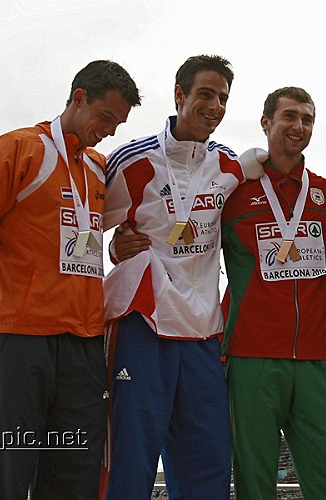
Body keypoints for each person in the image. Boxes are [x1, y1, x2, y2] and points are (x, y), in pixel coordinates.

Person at [0, 60, 141, 498]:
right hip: (22, 338)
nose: (111, 131)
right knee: (4, 465)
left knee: (76, 472)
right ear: (79, 98)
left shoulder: (101, 170)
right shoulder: (17, 149)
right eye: (106, 117)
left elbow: (136, 226)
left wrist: (121, 245)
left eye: (119, 124)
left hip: (84, 344)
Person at [101, 54, 253, 499]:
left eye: (223, 98)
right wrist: (112, 248)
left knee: (207, 466)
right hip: (143, 325)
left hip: (204, 335)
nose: (215, 106)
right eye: (205, 94)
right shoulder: (131, 160)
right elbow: (83, 225)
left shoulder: (232, 168)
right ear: (179, 95)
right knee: (131, 461)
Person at [221, 87, 326, 499]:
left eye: (307, 119)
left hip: (317, 359)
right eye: (289, 117)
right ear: (266, 123)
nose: (299, 127)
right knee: (255, 484)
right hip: (251, 356)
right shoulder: (234, 193)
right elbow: (189, 251)